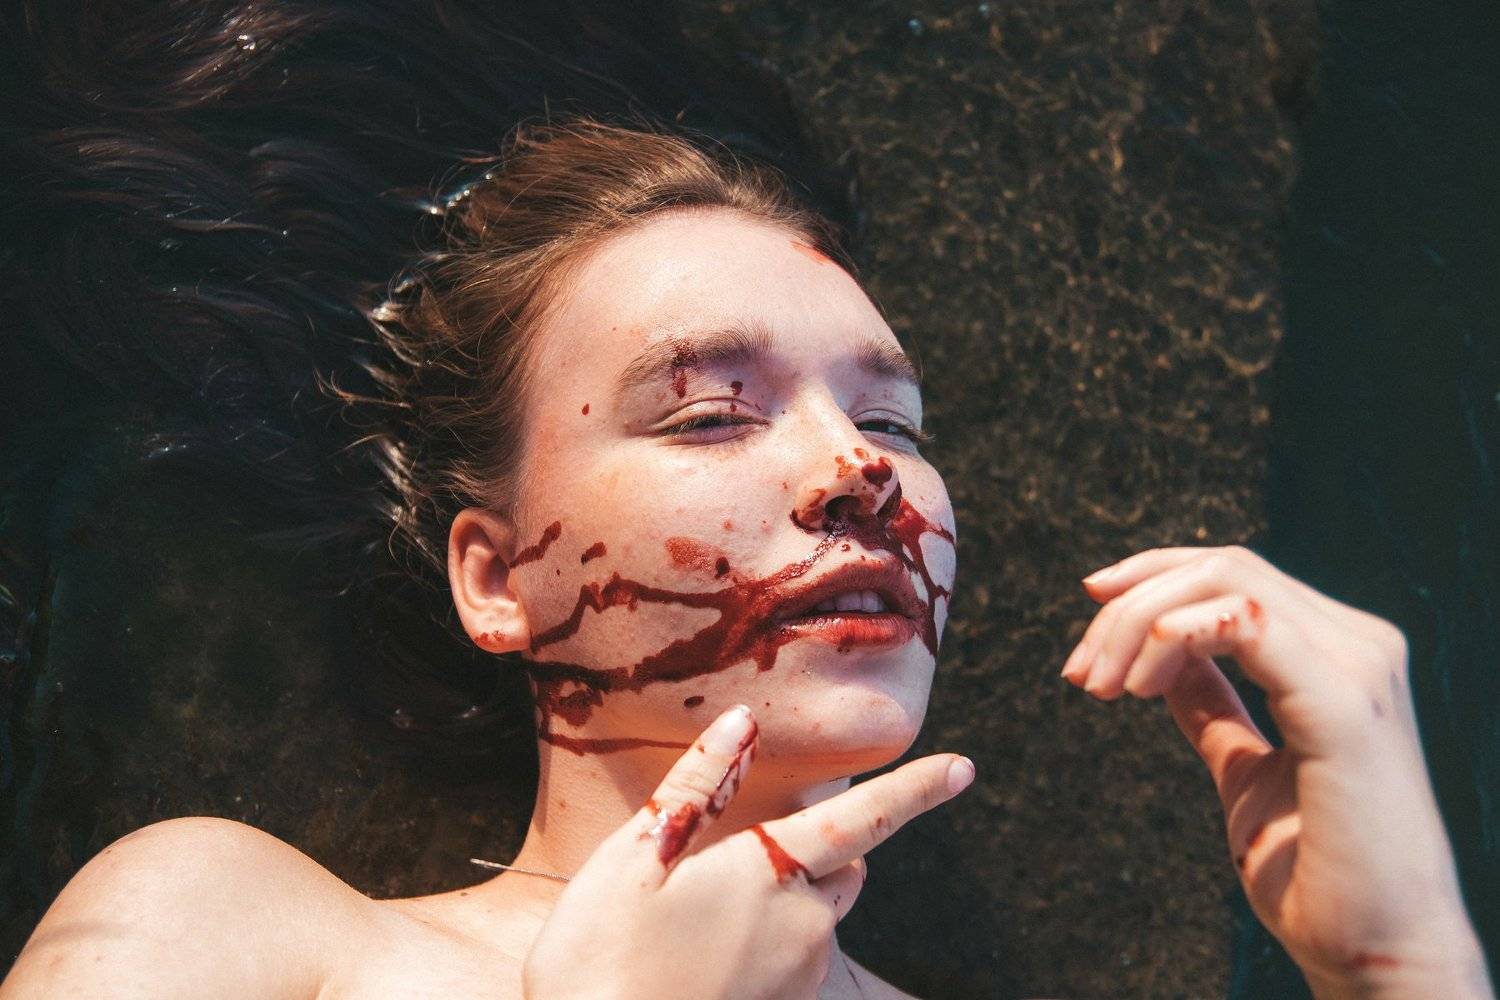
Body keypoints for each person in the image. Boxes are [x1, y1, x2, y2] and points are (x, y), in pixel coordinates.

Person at [0, 118, 1491, 1000]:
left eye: (895, 422)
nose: (861, 472)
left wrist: (1402, 966)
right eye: (712, 411)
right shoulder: (236, 937)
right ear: (496, 579)